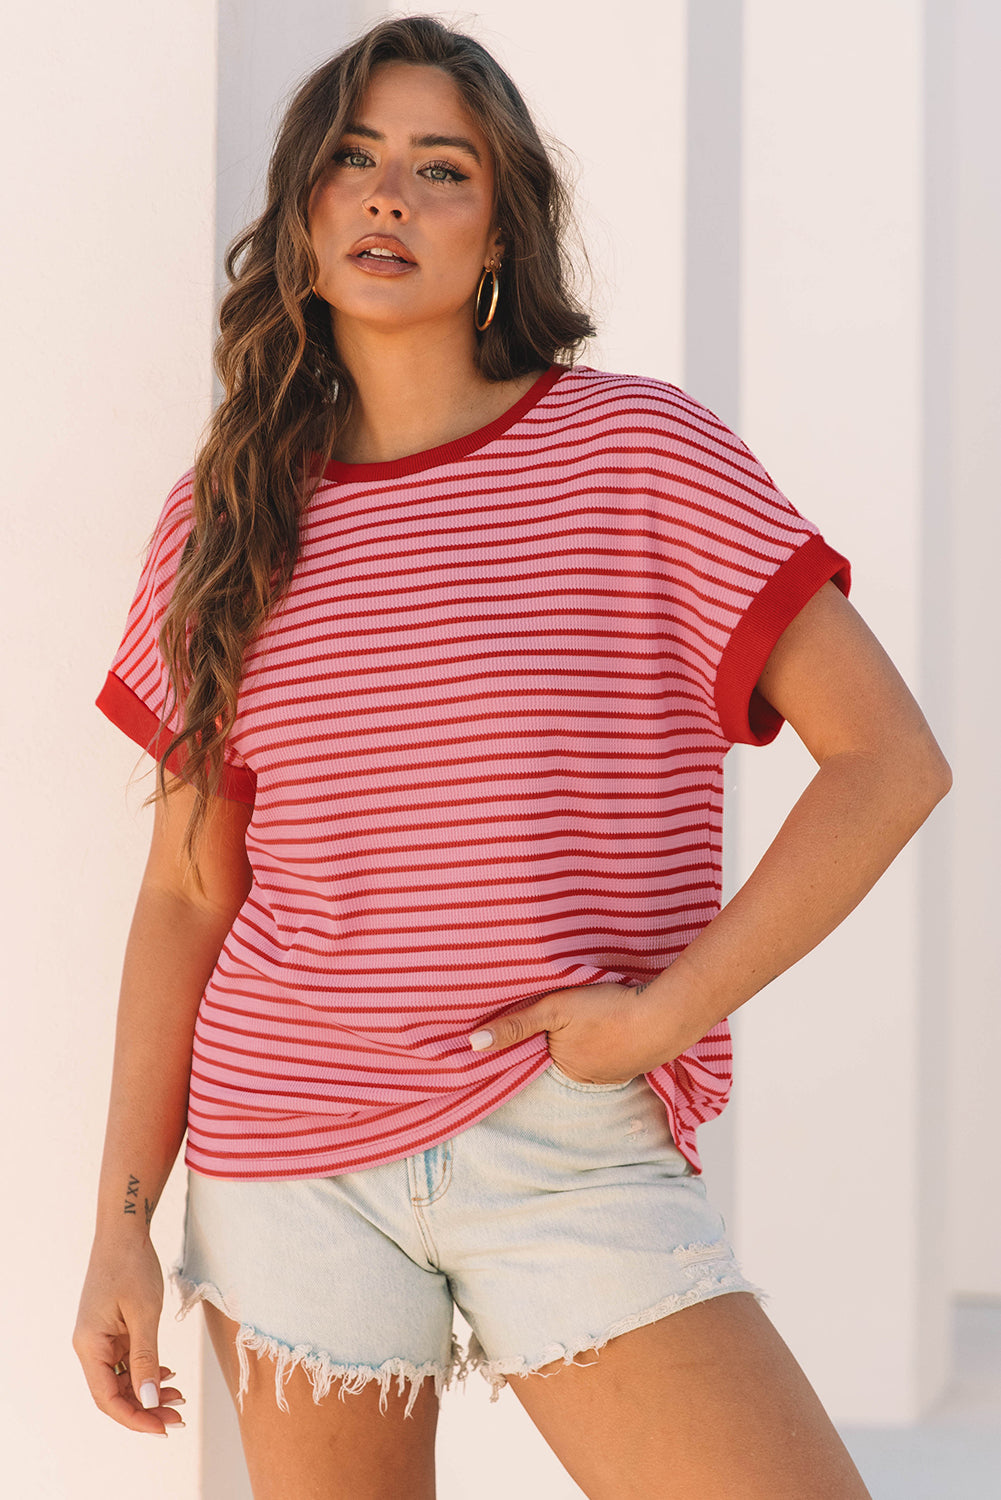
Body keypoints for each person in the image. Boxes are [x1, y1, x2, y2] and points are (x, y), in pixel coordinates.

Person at [73, 14, 951, 1499]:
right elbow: (184, 894)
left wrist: (664, 1015)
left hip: (562, 1135)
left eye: (441, 169)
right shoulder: (224, 520)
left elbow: (888, 761)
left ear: (500, 233)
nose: (387, 196)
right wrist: (119, 1230)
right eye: (353, 160)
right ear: (302, 215)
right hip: (288, 1158)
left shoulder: (638, 454)